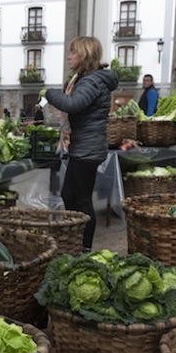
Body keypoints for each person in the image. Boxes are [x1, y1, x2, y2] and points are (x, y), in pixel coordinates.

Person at [39, 36, 118, 251]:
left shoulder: (92, 81)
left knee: (82, 200)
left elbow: (73, 104)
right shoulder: (87, 80)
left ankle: (84, 248)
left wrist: (49, 93)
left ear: (83, 55)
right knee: (69, 195)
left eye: (72, 52)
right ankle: (76, 239)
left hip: (88, 149)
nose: (68, 56)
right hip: (83, 147)